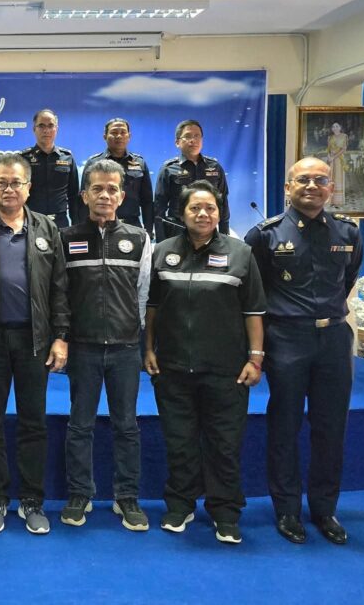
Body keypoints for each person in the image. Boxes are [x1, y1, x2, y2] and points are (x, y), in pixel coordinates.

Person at [244, 157, 362, 546]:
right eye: (303, 180)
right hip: (287, 339)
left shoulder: (348, 232)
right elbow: (254, 293)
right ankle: (287, 509)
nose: (312, 186)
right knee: (285, 425)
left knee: (331, 427)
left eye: (320, 180)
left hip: (334, 339)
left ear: (331, 188)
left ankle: (325, 509)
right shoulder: (265, 235)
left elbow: (346, 280)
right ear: (287, 188)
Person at [144, 180, 266, 544]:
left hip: (226, 370)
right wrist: (148, 349)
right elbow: (152, 307)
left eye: (210, 208)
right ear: (182, 214)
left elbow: (254, 310)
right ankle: (180, 504)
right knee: (179, 442)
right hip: (173, 368)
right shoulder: (162, 251)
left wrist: (256, 358)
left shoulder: (240, 253)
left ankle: (225, 511)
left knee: (224, 444)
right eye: (195, 208)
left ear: (219, 212)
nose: (203, 214)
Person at [0, 153, 69, 535]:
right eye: (2, 183)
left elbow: (59, 286)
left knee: (33, 422)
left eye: (16, 183)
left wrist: (60, 336)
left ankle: (31, 500)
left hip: (34, 340)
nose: (9, 189)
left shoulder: (47, 227)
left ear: (29, 187)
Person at [59, 159, 152, 532]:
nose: (104, 195)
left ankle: (126, 497)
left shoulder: (139, 239)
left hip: (126, 350)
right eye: (97, 188)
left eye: (112, 189)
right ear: (84, 195)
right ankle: (79, 494)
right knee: (79, 425)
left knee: (126, 426)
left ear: (122, 196)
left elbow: (144, 294)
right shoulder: (66, 238)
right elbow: (60, 294)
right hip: (82, 348)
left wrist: (135, 334)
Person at [153, 120, 230, 240]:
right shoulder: (168, 169)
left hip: (207, 227)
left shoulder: (215, 167)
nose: (193, 140)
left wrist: (224, 234)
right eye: (188, 136)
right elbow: (159, 206)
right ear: (177, 142)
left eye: (197, 136)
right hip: (178, 229)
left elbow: (223, 201)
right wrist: (161, 240)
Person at [82, 118, 154, 236]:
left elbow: (147, 201)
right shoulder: (94, 163)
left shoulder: (139, 163)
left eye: (123, 132)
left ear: (129, 136)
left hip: (132, 226)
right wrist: (84, 228)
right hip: (100, 225)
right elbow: (84, 199)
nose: (119, 136)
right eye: (114, 132)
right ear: (105, 136)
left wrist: (149, 231)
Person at [19, 109, 79, 228]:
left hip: (60, 222)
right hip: (31, 220)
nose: (46, 130)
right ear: (34, 129)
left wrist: (76, 225)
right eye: (41, 126)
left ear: (56, 129)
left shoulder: (67, 157)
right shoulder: (23, 159)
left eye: (51, 126)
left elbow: (74, 195)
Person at [324, 122, 348, 207]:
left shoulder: (344, 136)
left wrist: (333, 157)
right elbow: (328, 149)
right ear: (331, 128)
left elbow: (343, 149)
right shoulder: (330, 137)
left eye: (337, 126)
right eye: (333, 126)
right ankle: (331, 200)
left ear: (340, 127)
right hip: (331, 160)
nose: (335, 128)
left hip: (339, 159)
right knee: (331, 177)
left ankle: (338, 201)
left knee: (338, 177)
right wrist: (329, 157)